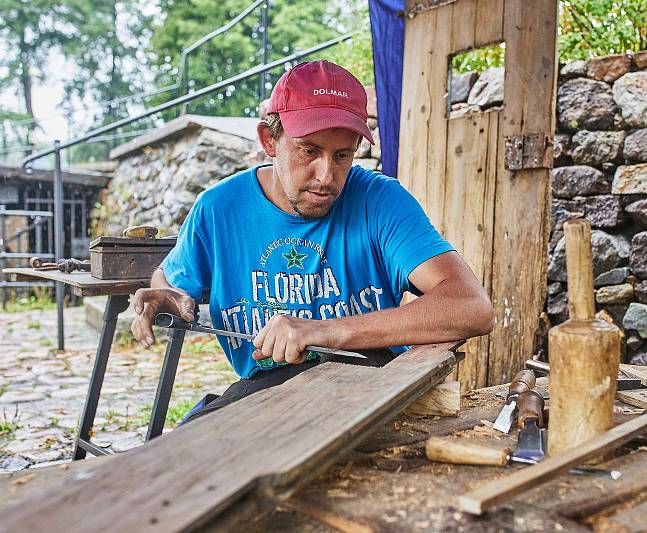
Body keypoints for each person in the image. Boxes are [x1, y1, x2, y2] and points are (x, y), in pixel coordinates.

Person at [131, 60, 494, 421]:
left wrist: (323, 332)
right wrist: (168, 294)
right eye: (309, 150)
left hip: (370, 382)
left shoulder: (381, 201)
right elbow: (170, 280)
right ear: (269, 140)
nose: (326, 176)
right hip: (269, 389)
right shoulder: (217, 209)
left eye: (343, 155)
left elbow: (472, 307)